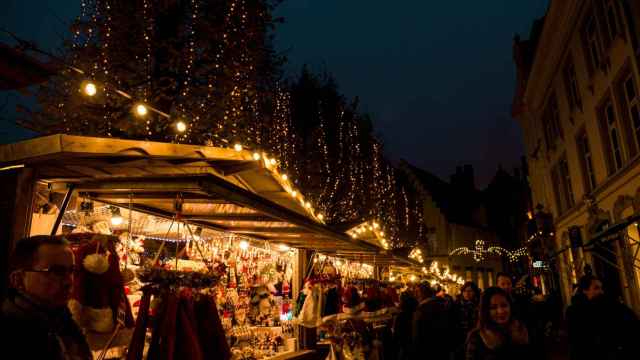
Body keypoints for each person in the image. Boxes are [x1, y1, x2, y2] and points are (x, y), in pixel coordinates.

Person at [0, 235, 92, 360]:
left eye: (71, 271)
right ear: (18, 279)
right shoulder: (11, 334)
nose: (69, 281)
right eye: (56, 271)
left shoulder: (61, 317)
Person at [566, 274, 638, 360]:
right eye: (596, 288)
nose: (601, 291)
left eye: (601, 288)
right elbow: (577, 343)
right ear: (585, 290)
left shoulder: (608, 305)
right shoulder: (574, 312)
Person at [465, 286, 531, 360]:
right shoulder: (477, 338)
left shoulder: (521, 330)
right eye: (493, 307)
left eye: (504, 305)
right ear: (486, 311)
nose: (500, 311)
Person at [412, 283, 456, 359]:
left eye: (417, 292)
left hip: (427, 349)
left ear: (424, 293)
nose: (415, 295)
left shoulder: (424, 309)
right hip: (441, 348)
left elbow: (418, 334)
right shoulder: (439, 304)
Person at [454, 282, 480, 360]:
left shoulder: (479, 305)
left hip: (475, 337)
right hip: (460, 337)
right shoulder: (457, 305)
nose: (467, 293)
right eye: (465, 291)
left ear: (475, 292)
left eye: (470, 291)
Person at [392, 291, 418, 360]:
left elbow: (396, 336)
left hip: (405, 348)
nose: (398, 302)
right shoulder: (416, 313)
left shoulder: (401, 316)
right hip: (415, 347)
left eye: (399, 300)